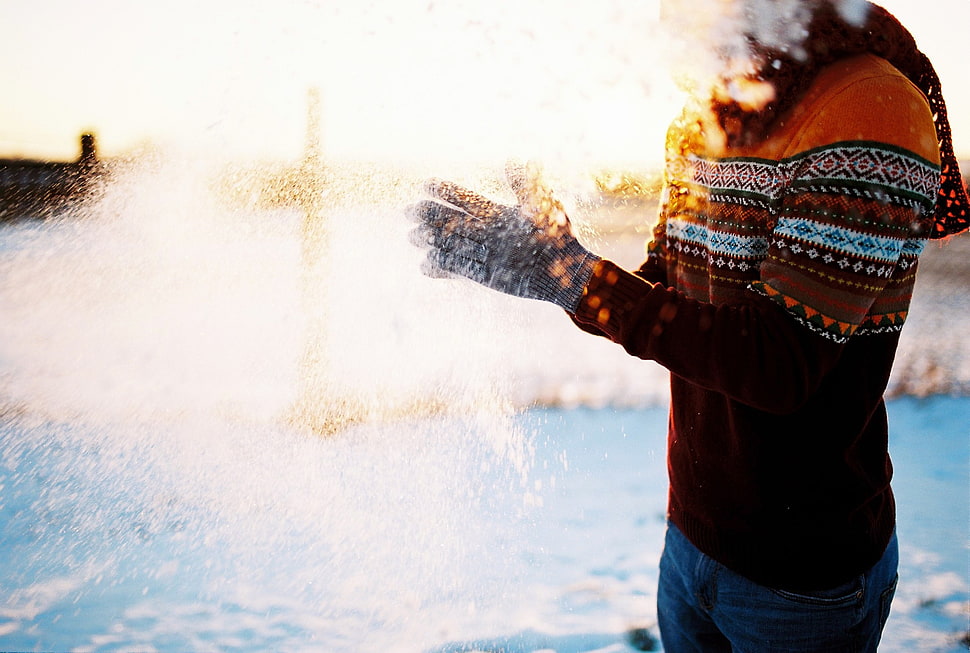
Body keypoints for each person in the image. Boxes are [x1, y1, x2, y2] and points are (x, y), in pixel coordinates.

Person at [407, 1, 969, 651]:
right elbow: (660, 298)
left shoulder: (870, 107)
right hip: (690, 542)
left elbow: (780, 363)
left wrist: (575, 276)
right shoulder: (713, 103)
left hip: (801, 581)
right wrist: (553, 261)